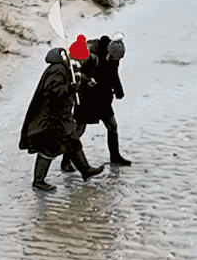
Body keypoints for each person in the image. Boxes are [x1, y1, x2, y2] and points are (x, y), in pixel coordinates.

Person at [17, 45, 95, 187]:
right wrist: (72, 88)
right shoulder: (57, 69)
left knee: (72, 142)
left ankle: (85, 170)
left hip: (61, 115)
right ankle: (38, 181)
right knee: (49, 149)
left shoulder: (65, 68)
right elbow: (53, 92)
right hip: (52, 118)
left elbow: (73, 77)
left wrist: (83, 81)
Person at [73, 34, 132, 167]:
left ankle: (115, 157)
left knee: (112, 126)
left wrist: (118, 90)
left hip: (104, 98)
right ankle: (67, 161)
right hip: (87, 98)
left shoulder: (114, 55)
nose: (114, 60)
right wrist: (87, 80)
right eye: (112, 57)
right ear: (108, 51)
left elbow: (113, 73)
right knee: (79, 128)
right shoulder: (91, 55)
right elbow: (78, 73)